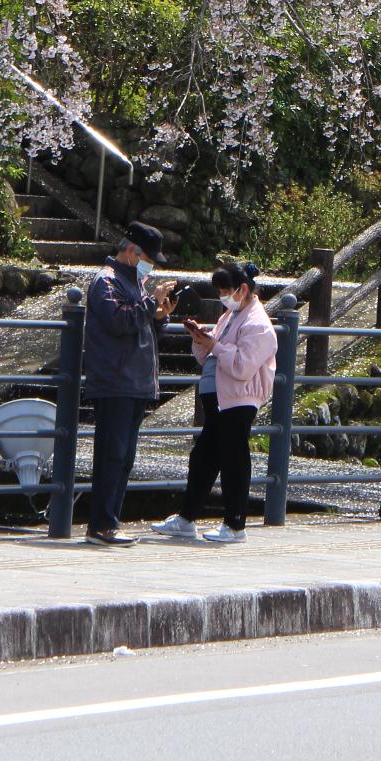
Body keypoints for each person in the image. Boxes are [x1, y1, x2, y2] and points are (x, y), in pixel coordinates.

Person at [153, 260, 278, 545]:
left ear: (242, 289)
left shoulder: (258, 324)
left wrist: (214, 346)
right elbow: (210, 357)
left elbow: (242, 366)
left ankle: (235, 524)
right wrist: (201, 340)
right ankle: (187, 518)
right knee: (204, 458)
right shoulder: (230, 316)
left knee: (233, 458)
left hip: (237, 399)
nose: (223, 296)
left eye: (226, 290)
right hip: (220, 396)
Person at [81, 219, 176, 545]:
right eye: (148, 257)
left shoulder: (135, 282)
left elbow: (140, 327)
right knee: (112, 455)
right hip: (114, 382)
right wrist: (151, 304)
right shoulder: (106, 281)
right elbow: (117, 320)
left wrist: (159, 316)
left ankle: (110, 522)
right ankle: (101, 526)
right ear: (133, 251)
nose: (150, 265)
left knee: (124, 458)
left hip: (134, 384)